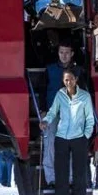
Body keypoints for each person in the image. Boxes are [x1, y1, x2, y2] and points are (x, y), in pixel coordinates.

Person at [40, 65, 97, 195]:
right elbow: (53, 112)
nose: (68, 82)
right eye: (66, 80)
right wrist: (46, 121)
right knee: (61, 173)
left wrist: (86, 135)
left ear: (76, 80)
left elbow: (90, 118)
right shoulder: (60, 95)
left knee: (79, 173)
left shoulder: (85, 97)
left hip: (79, 138)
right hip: (62, 137)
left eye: (70, 79)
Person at [41, 41, 76, 186]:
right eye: (61, 52)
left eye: (67, 52)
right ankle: (51, 178)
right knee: (50, 145)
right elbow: (43, 90)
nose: (64, 55)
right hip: (52, 112)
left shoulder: (78, 71)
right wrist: (43, 110)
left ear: (72, 54)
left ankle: (70, 178)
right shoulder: (50, 70)